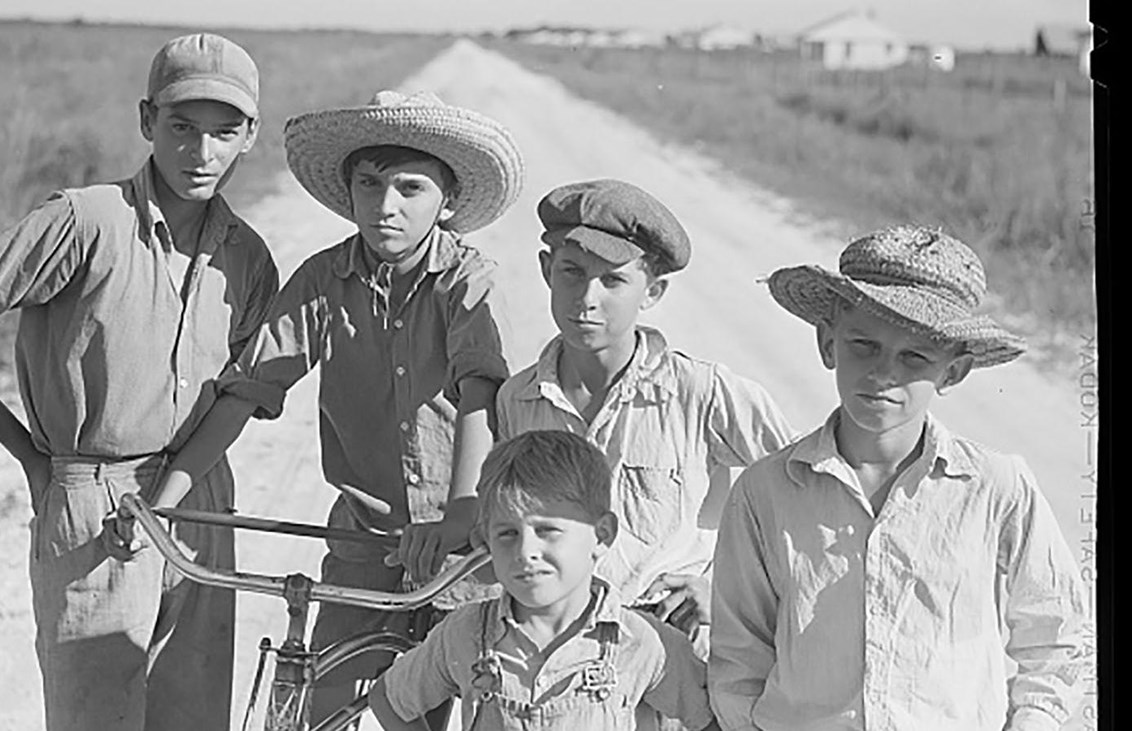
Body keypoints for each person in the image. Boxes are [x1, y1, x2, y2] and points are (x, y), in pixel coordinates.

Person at [0, 33, 276, 730]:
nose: (202, 152)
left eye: (224, 132)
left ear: (250, 136)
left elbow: (241, 393)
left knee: (193, 717)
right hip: (94, 506)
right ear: (145, 120)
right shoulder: (85, 220)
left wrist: (173, 490)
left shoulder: (247, 256)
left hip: (200, 501)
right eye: (182, 126)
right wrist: (34, 460)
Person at [182, 89, 522, 727]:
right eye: (369, 184)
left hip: (465, 552)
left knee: (452, 706)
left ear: (446, 204)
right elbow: (252, 386)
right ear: (349, 190)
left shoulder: (467, 282)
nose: (385, 205)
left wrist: (459, 520)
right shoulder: (323, 280)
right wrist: (172, 489)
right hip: (364, 542)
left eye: (410, 188)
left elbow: (480, 390)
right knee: (321, 701)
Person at [708, 225, 1088, 730]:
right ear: (828, 344)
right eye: (863, 344)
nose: (884, 374)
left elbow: (1057, 639)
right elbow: (739, 657)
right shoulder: (765, 491)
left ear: (953, 373)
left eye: (915, 357)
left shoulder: (997, 487)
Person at [495, 179, 795, 657]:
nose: (586, 298)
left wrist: (723, 587)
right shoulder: (519, 400)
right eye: (571, 272)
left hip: (671, 650)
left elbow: (807, 500)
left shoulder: (702, 392)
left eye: (613, 280)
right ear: (546, 269)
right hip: (558, 653)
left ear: (652, 291)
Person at [369, 429, 720, 730]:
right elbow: (389, 699)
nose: (525, 551)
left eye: (547, 530)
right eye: (507, 533)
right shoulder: (465, 634)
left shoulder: (641, 642)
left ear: (601, 535)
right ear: (486, 538)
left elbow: (712, 718)